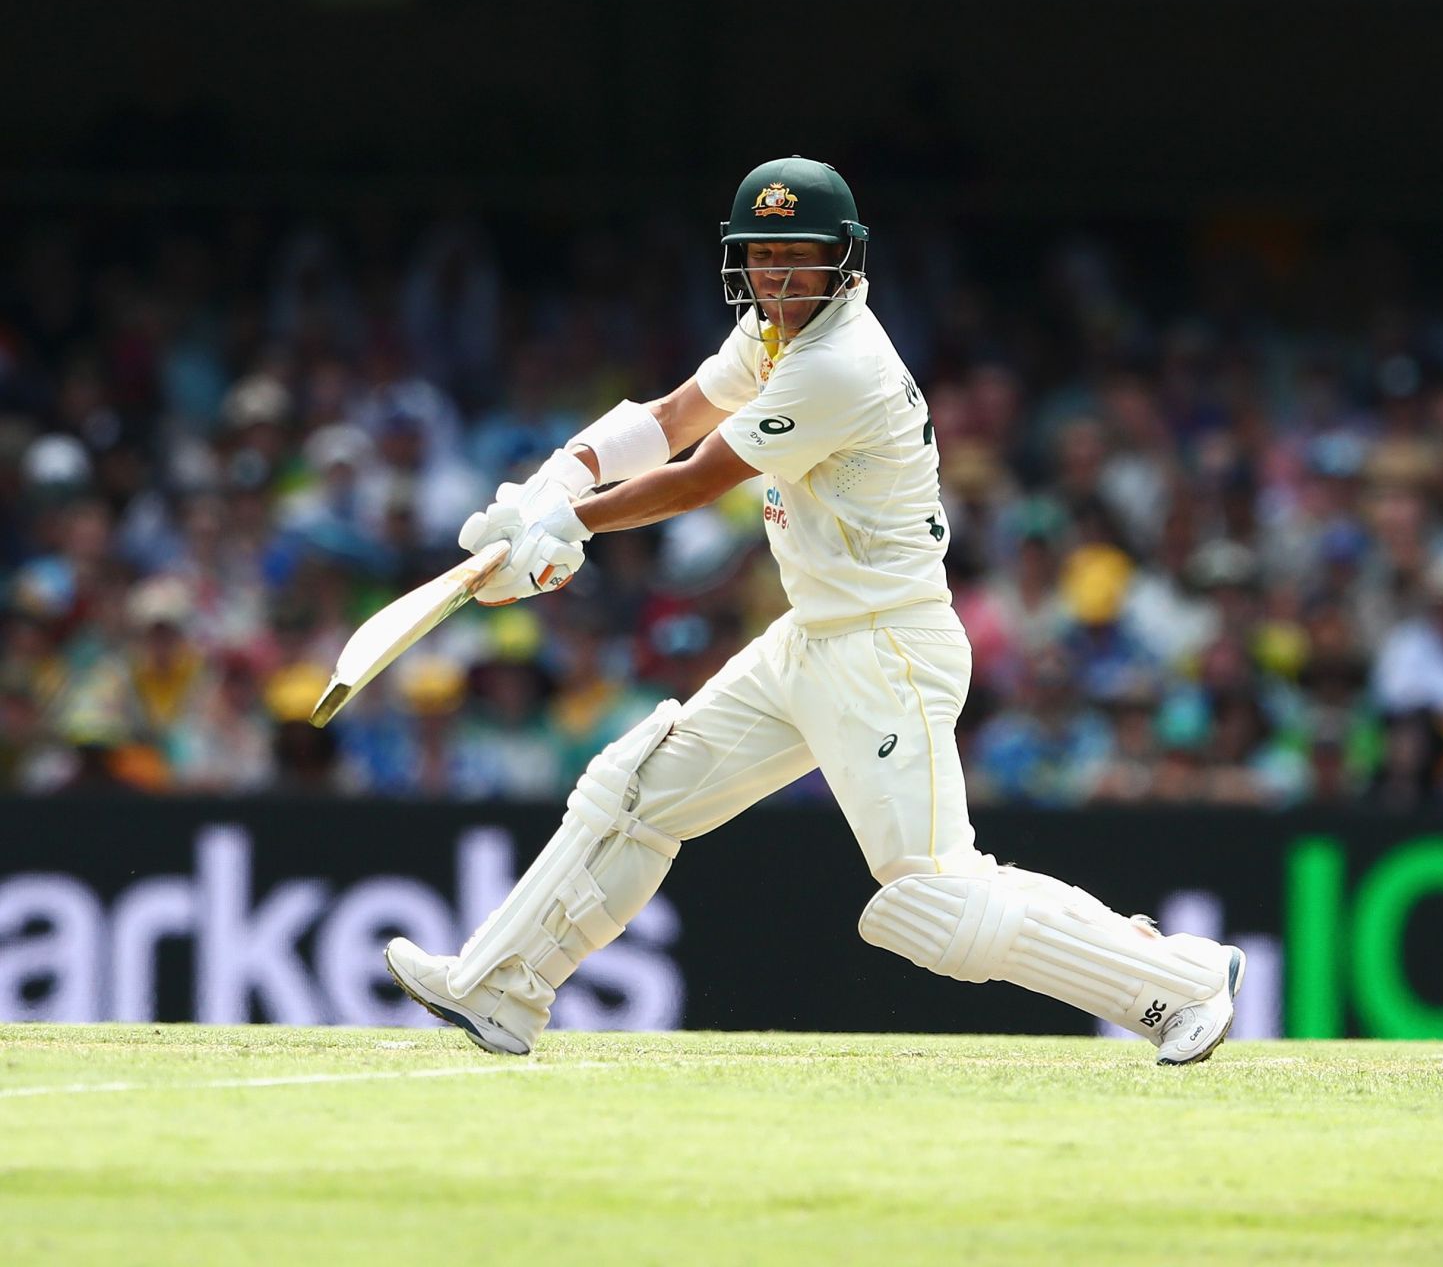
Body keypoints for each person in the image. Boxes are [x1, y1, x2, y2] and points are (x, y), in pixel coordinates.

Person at [383, 157, 1244, 1065]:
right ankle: (501, 989)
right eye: (762, 255)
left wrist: (566, 526)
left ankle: (1180, 984)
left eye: (800, 256)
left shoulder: (841, 363)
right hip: (811, 638)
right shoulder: (771, 332)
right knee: (636, 792)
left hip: (885, 650)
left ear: (845, 260)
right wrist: (557, 480)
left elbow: (700, 475)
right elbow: (674, 414)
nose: (778, 276)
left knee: (934, 899)